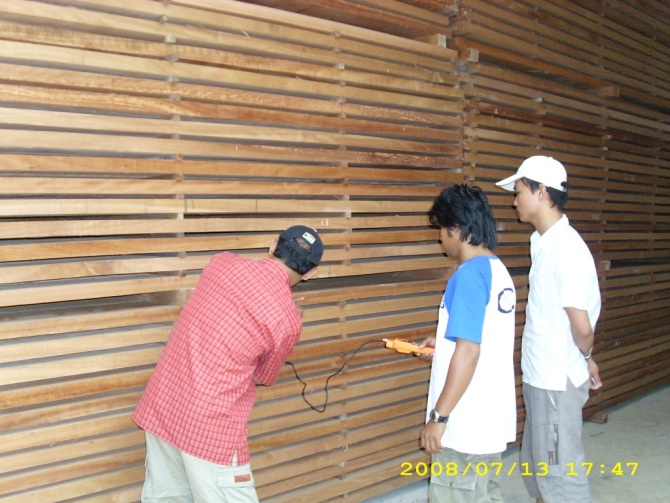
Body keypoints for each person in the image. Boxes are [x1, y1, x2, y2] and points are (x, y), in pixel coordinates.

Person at [132, 225, 324, 502]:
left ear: (273, 245)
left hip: (165, 404)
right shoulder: (288, 319)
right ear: (310, 273)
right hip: (211, 428)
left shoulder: (221, 263)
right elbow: (264, 376)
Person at [496, 155, 602, 503]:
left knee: (559, 474)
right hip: (541, 375)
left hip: (555, 381)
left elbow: (581, 326)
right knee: (537, 465)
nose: (515, 200)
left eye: (519, 191)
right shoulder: (542, 241)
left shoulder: (565, 250)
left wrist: (585, 355)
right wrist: (586, 358)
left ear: (541, 191)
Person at [420, 184, 517, 502]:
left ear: (457, 229)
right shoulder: (497, 270)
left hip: (464, 427)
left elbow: (470, 351)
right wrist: (443, 344)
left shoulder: (467, 276)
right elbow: (481, 337)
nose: (440, 238)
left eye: (441, 229)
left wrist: (439, 418)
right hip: (489, 422)